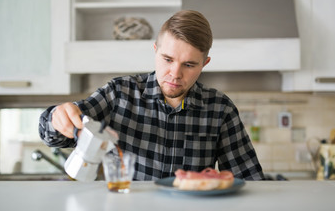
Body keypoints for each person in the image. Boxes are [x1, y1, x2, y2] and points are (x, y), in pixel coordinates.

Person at [39, 10, 264, 181]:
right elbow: (53, 136)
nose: (175, 74)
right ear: (155, 50)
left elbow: (248, 179)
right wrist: (56, 118)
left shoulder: (220, 109)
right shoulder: (119, 93)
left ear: (204, 64)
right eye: (167, 59)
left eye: (188, 64)